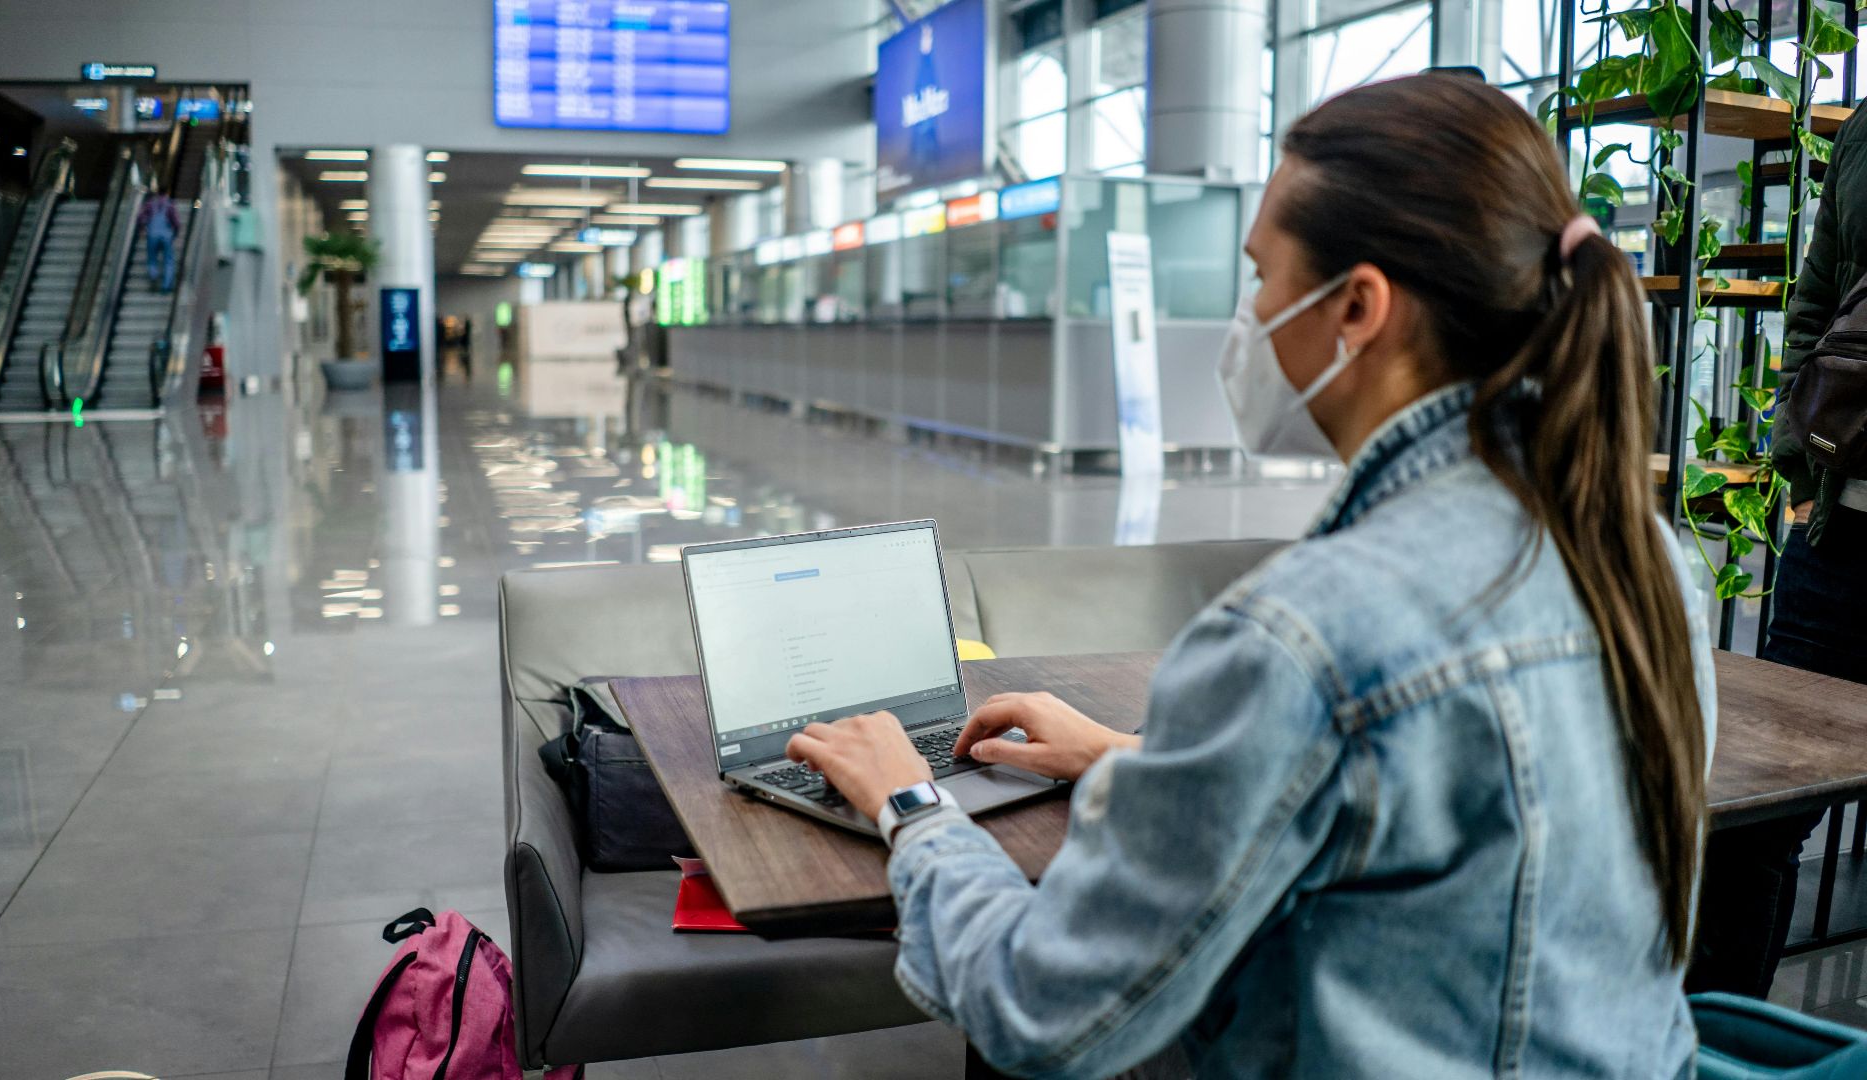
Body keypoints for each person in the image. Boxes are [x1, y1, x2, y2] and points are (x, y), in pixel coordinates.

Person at [783, 73, 1716, 1079]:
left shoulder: (1302, 635)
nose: (1253, 315)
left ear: (1358, 306)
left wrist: (911, 805)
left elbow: (1041, 1007)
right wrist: (1135, 756)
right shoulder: (1648, 560)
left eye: (1262, 275)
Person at [1687, 107, 1867, 1000]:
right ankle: (1723, 1050)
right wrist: (1799, 471)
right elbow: (1817, 297)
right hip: (1843, 538)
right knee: (1758, 820)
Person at [138, 183, 180, 293]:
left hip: (152, 234)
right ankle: (166, 286)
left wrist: (143, 228)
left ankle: (153, 275)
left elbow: (141, 216)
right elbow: (176, 222)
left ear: (158, 192)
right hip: (166, 235)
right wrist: (176, 233)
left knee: (152, 258)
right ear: (167, 193)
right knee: (168, 260)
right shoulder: (170, 204)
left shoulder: (150, 203)